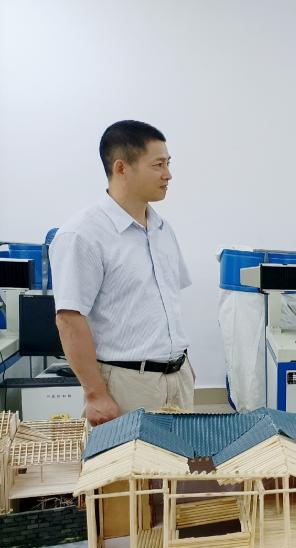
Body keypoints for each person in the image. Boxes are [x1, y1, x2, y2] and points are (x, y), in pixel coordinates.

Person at [51, 120, 194, 426]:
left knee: (178, 458)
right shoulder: (82, 234)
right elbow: (69, 319)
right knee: (125, 459)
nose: (168, 174)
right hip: (126, 385)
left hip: (177, 379)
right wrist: (95, 394)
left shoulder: (162, 229)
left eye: (168, 164)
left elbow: (165, 305)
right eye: (158, 165)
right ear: (121, 168)